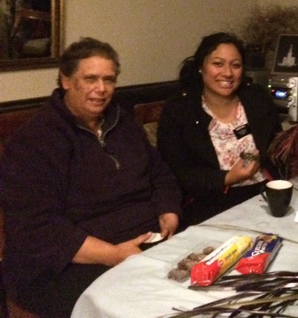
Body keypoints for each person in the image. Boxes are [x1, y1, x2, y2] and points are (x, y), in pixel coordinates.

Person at [0, 37, 182, 318]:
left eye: (109, 80)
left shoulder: (123, 122)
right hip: (71, 264)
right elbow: (38, 228)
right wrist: (114, 255)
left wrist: (169, 211)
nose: (101, 89)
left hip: (144, 244)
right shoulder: (34, 141)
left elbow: (160, 173)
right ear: (66, 80)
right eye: (90, 79)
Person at [157, 32, 298, 227]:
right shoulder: (179, 110)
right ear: (201, 67)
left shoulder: (257, 99)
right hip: (210, 204)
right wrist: (226, 178)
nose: (228, 73)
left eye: (235, 65)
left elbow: (278, 154)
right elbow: (174, 173)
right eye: (218, 64)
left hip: (264, 195)